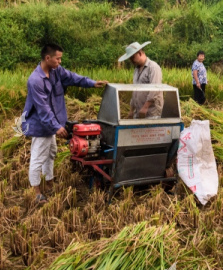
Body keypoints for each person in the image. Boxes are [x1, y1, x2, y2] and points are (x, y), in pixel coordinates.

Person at [22, 43, 107, 205]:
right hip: (41, 125)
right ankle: (37, 193)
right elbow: (43, 109)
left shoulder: (56, 71)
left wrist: (92, 83)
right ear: (48, 58)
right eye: (58, 58)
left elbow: (73, 77)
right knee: (38, 157)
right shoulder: (35, 81)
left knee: (51, 152)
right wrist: (57, 127)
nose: (60, 62)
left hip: (52, 122)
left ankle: (49, 182)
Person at [119, 41, 164, 118]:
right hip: (139, 112)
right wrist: (131, 110)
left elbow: (155, 89)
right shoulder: (136, 70)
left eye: (132, 57)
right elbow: (135, 91)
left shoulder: (153, 67)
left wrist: (145, 107)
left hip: (151, 112)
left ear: (139, 53)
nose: (131, 60)